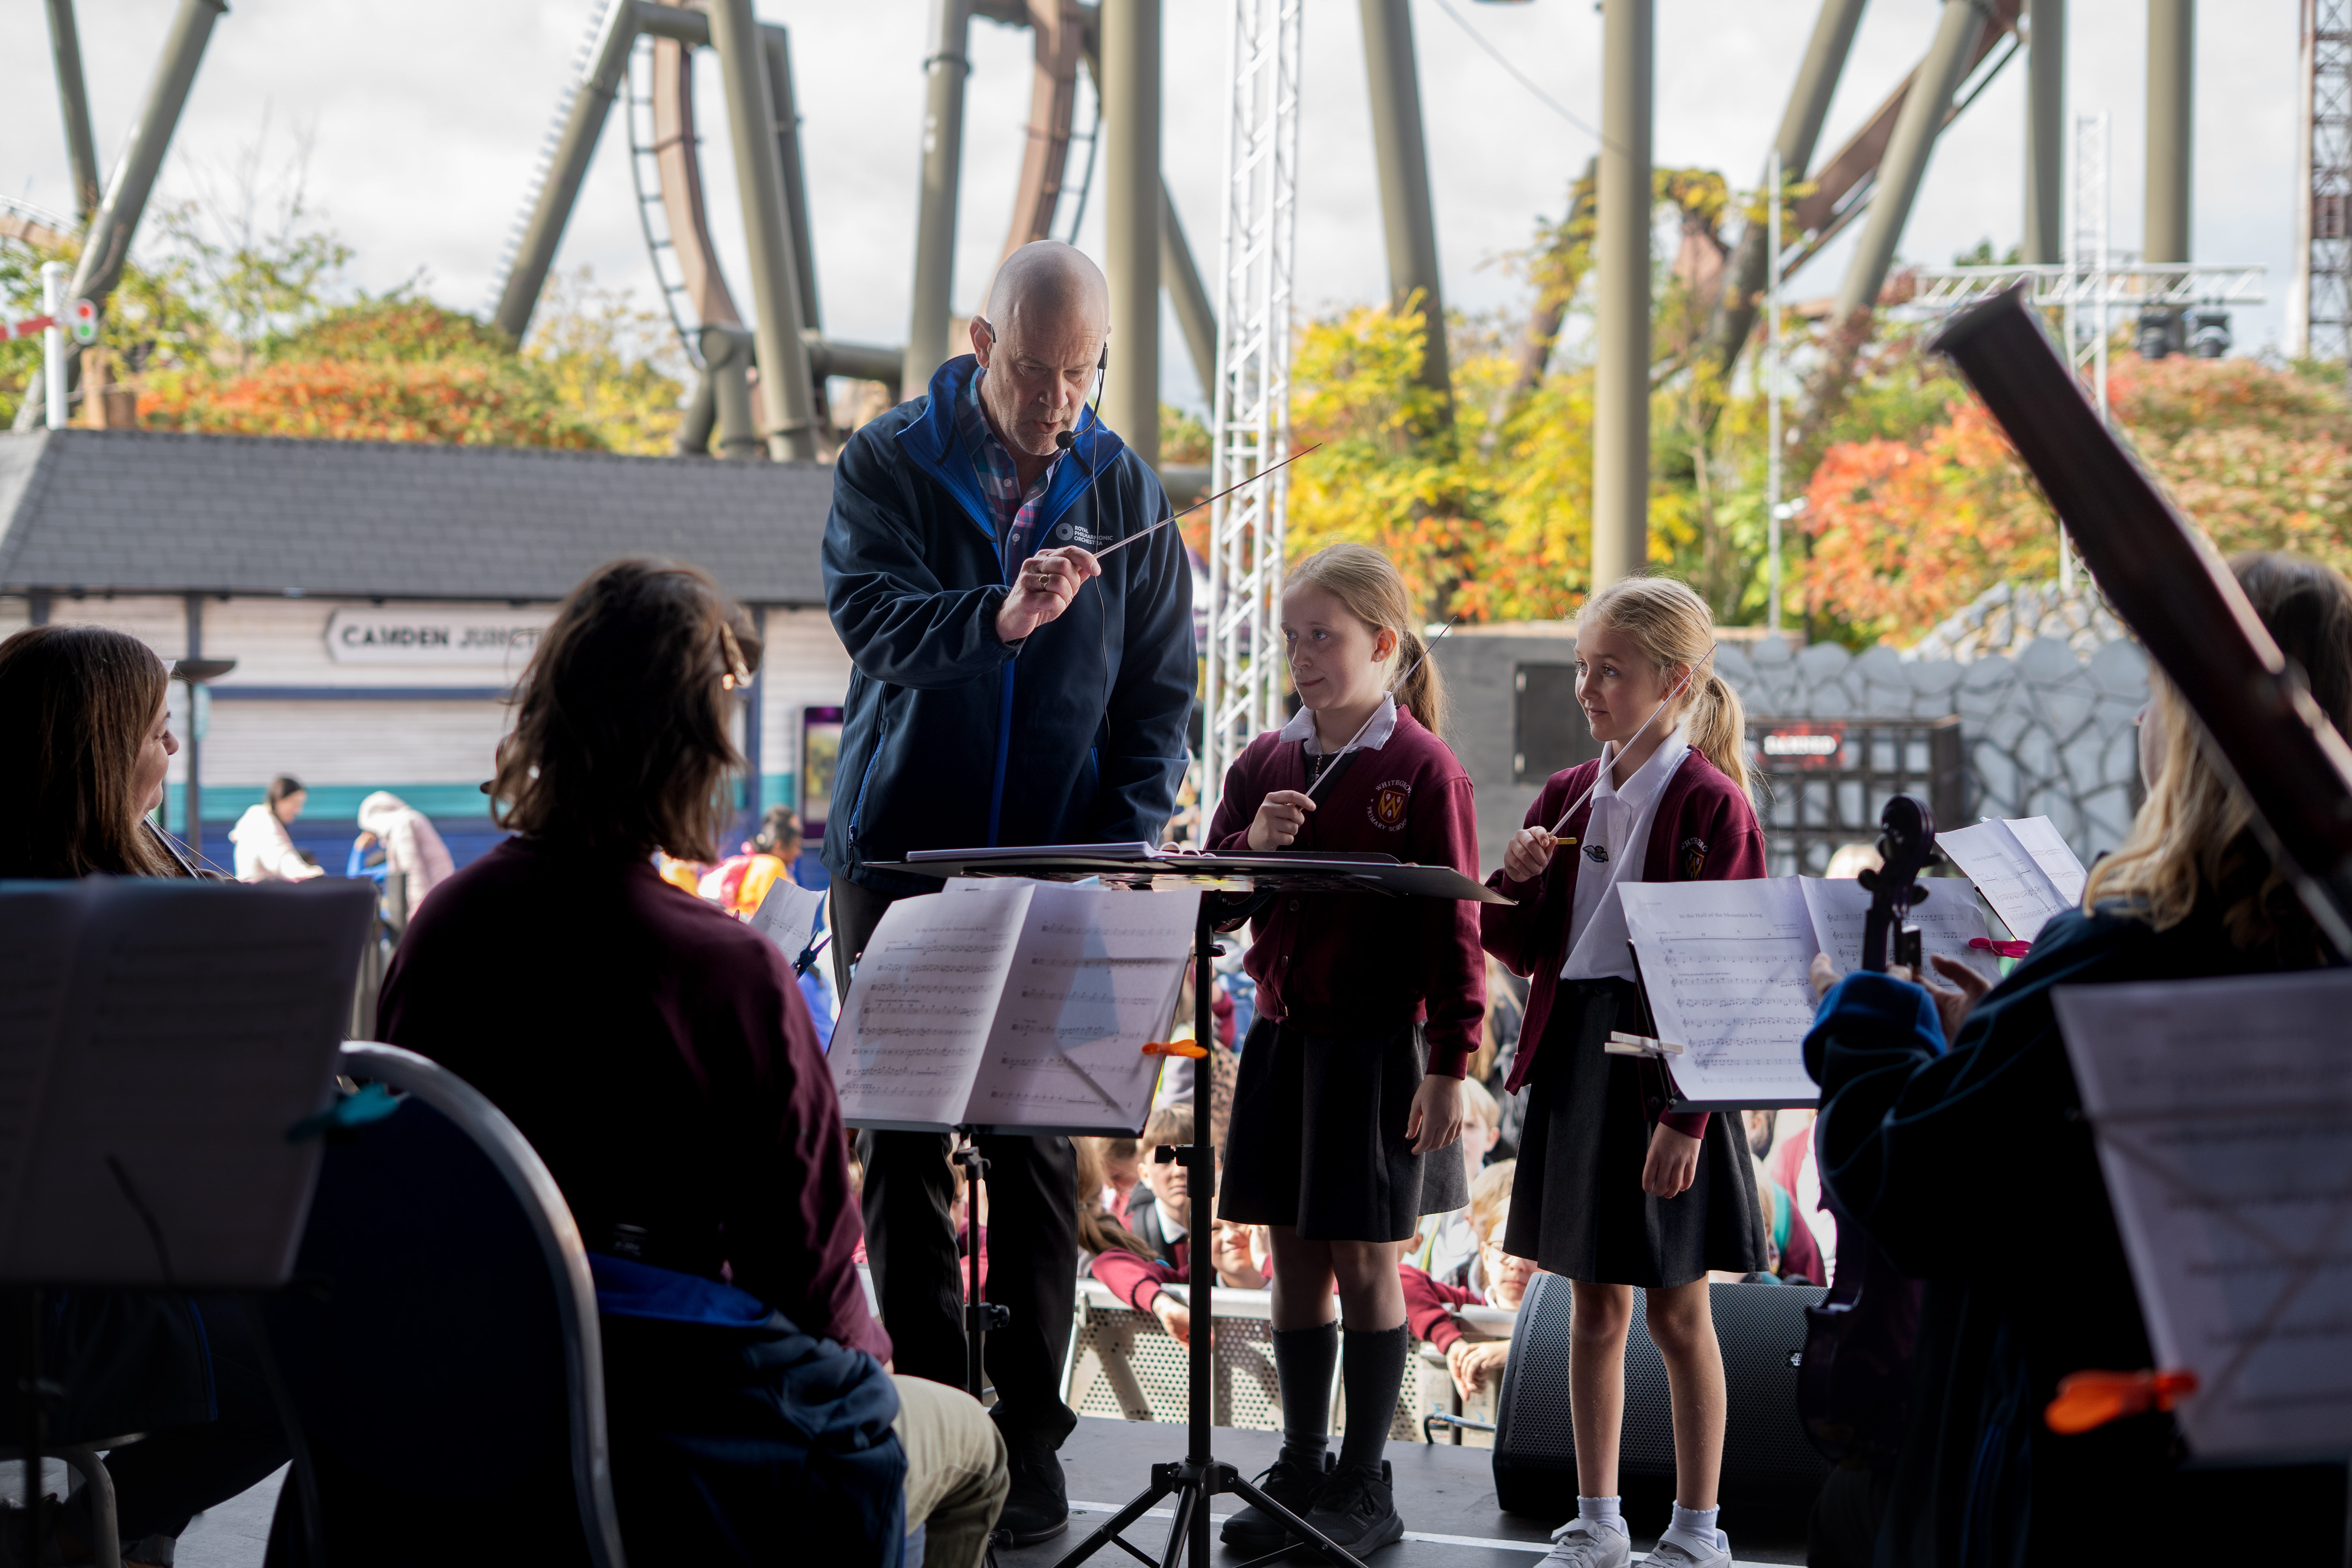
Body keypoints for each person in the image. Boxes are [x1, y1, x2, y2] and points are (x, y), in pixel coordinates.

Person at [377, 559, 1007, 1567]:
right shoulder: (725, 970)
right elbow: (810, 1282)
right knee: (975, 1445)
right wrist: (872, 1379)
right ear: (697, 750)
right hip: (676, 1438)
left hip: (463, 1411)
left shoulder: (446, 926)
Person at [1801, 551, 2352, 1566]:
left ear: (2191, 733)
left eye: (2154, 694)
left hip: (2101, 1482)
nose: (2141, 722)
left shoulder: (2124, 954)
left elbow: (1904, 1182)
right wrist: (1984, 1056)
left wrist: (1870, 1011)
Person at [822, 240, 1195, 1542]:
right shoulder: (888, 460)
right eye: (1035, 369)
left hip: (1055, 871)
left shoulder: (1123, 481)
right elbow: (871, 621)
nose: (1056, 401)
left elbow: (1161, 705)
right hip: (902, 871)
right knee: (900, 1153)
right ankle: (934, 1421)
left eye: (1082, 374)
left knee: (1042, 1157)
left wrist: (1115, 842)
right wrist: (999, 617)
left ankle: (1032, 1443)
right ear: (983, 339)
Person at [1203, 542, 1485, 1557]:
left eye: (1321, 636)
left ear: (1383, 643)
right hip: (1284, 1039)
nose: (1301, 655)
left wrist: (1454, 1060)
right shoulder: (1263, 761)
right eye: (1290, 637)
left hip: (1375, 1049)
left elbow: (1454, 929)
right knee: (1292, 1258)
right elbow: (1217, 902)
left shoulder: (1422, 770)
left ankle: (1367, 1480)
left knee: (1368, 1261)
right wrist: (1254, 852)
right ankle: (1303, 1460)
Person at [1480, 575, 1769, 1568]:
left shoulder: (1711, 804)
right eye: (1582, 667)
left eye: (1611, 669)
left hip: (1664, 1074)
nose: (1588, 686)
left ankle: (1698, 1529)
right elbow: (1519, 945)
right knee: (1589, 1302)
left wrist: (1685, 1121)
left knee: (1679, 1308)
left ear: (1673, 680)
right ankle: (1596, 1518)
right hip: (1579, 1061)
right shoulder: (1568, 791)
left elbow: (1726, 978)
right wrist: (1512, 882)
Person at [0, 625, 290, 1565]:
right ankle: (91, 1532)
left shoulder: (156, 884)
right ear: (96, 747)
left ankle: (117, 1531)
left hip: (86, 1290)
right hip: (62, 1308)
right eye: (159, 729)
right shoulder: (137, 920)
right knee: (329, 1350)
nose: (173, 748)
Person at [352, 790, 455, 921]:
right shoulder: (412, 819)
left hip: (431, 908)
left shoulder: (402, 826)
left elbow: (413, 873)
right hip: (439, 901)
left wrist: (418, 918)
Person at [230, 775, 324, 882]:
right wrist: (306, 873)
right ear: (278, 799)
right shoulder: (260, 819)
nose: (298, 810)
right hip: (257, 895)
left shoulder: (264, 818)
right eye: (295, 803)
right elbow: (279, 856)